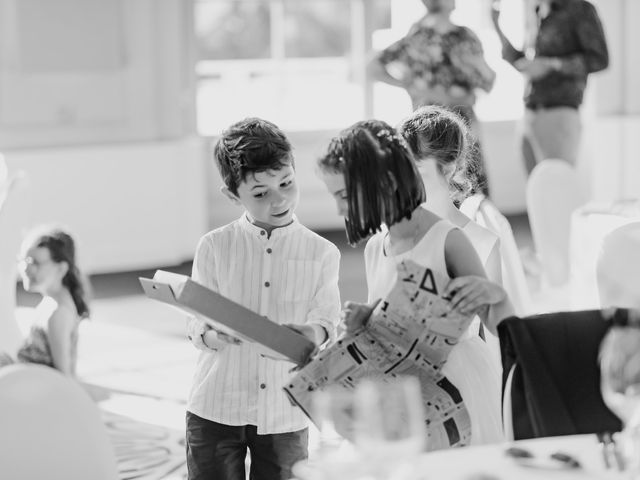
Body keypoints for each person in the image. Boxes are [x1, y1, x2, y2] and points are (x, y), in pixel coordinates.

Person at [317, 119, 512, 446]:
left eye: (345, 195)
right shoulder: (376, 248)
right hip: (399, 386)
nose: (339, 209)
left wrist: (495, 294)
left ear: (386, 181)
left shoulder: (448, 240)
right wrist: (364, 318)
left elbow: (499, 324)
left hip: (455, 383)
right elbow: (382, 319)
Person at [185, 117, 341, 480]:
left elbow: (327, 321)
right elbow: (194, 319)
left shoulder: (322, 252)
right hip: (215, 405)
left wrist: (313, 335)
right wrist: (210, 335)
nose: (279, 198)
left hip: (284, 412)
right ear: (232, 194)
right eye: (260, 193)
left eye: (286, 183)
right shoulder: (213, 247)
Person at [397, 105, 502, 359]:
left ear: (448, 168)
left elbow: (497, 327)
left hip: (458, 368)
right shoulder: (390, 236)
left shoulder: (481, 241)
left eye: (416, 171)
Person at [368, 0, 496, 196]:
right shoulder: (463, 37)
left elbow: (373, 67)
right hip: (454, 121)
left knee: (433, 184)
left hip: (428, 123)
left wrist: (411, 86)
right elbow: (488, 82)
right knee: (469, 185)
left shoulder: (416, 37)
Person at [491, 0, 609, 174]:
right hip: (530, 112)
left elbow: (599, 59)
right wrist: (496, 25)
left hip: (560, 111)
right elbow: (522, 61)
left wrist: (552, 65)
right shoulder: (537, 11)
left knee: (557, 186)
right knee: (534, 190)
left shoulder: (579, 9)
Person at [0, 226, 91, 376]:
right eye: (24, 261)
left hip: (41, 390)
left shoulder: (58, 313)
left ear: (61, 269)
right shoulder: (51, 303)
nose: (26, 269)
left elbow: (64, 375)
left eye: (35, 263)